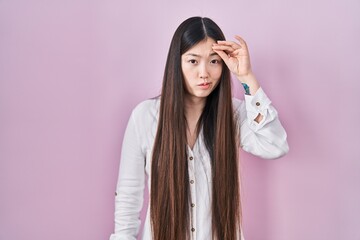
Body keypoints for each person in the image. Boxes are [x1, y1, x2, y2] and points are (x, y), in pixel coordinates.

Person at [109, 16, 289, 240]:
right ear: (177, 63)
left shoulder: (233, 115)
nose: (204, 73)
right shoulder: (145, 117)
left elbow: (276, 145)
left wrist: (246, 77)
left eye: (214, 61)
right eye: (193, 61)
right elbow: (128, 196)